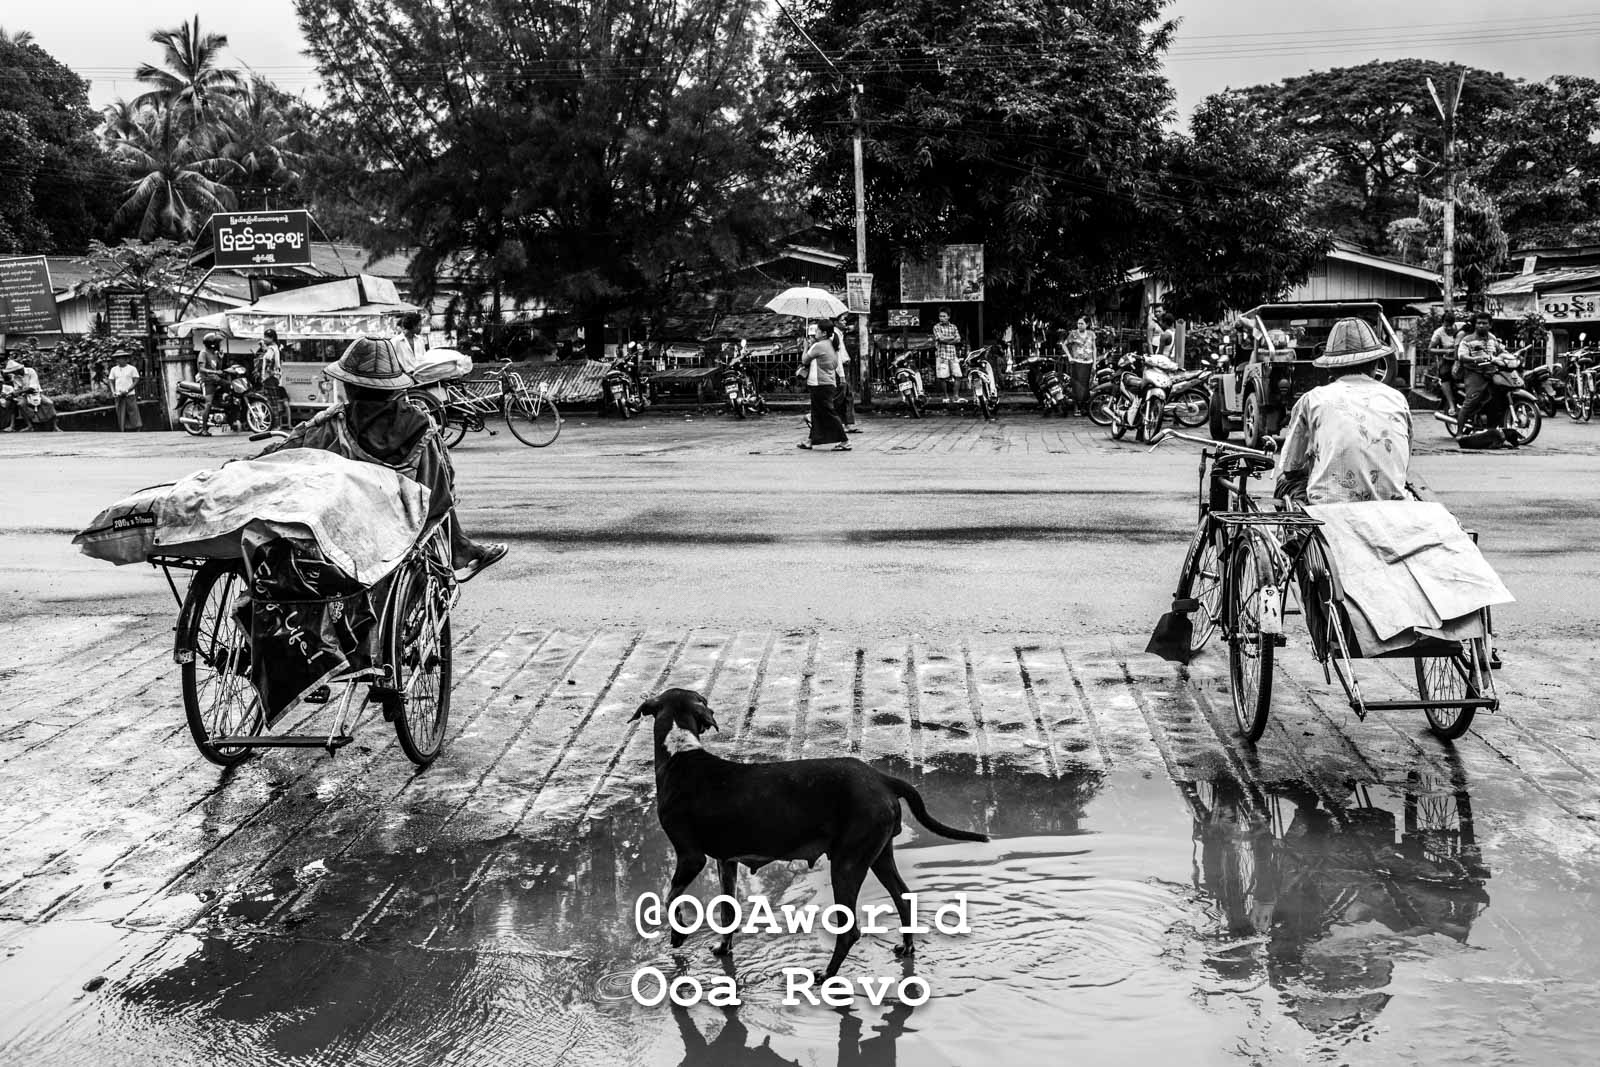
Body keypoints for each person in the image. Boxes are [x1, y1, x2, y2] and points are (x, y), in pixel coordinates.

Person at [261, 336, 507, 582]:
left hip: (344, 529)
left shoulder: (332, 424)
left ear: (350, 387)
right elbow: (439, 494)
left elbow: (286, 450)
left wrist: (246, 462)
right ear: (392, 389)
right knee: (437, 485)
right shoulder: (419, 425)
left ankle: (459, 545)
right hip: (403, 527)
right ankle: (459, 545)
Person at [1273, 318, 1411, 506]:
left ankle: (1292, 534)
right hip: (1392, 503)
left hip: (1329, 506)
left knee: (1285, 482)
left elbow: (1291, 467)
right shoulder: (1397, 398)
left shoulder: (1313, 399)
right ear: (1376, 365)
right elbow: (1404, 459)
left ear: (1330, 367)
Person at [1455, 312, 1511, 441]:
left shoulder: (1492, 338)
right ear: (1475, 325)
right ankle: (1459, 433)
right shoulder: (1467, 340)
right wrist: (1476, 358)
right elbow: (1462, 356)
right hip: (1474, 373)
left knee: (1498, 400)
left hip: (1491, 372)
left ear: (1490, 325)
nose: (1481, 325)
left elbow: (1500, 351)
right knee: (1470, 402)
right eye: (1478, 323)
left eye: (1484, 323)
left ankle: (1494, 431)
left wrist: (1512, 355)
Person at [797, 322, 849, 451]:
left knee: (828, 413)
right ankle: (810, 440)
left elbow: (804, 360)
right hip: (826, 383)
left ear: (824, 333)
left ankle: (845, 441)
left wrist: (805, 347)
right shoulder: (831, 344)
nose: (816, 333)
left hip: (821, 384)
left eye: (818, 331)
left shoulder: (819, 346)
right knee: (817, 413)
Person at [1427, 318, 1467, 412]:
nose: (1449, 328)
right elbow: (1430, 349)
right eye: (1446, 326)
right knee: (1444, 375)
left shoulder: (1462, 326)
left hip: (1464, 359)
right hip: (1448, 360)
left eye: (1451, 325)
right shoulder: (1438, 333)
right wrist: (1446, 351)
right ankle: (1451, 405)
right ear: (1442, 324)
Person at [196, 331, 229, 435]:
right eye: (218, 343)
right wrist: (214, 372)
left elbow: (218, 367)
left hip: (215, 379)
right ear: (212, 344)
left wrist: (220, 358)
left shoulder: (214, 354)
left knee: (229, 385)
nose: (219, 345)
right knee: (208, 404)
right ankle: (204, 429)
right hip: (207, 381)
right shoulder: (203, 353)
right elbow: (202, 369)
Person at [831, 315, 860, 433]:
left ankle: (847, 424)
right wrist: (841, 374)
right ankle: (837, 424)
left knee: (848, 396)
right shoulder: (834, 335)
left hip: (844, 367)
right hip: (839, 368)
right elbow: (837, 356)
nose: (845, 322)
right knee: (839, 397)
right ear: (835, 322)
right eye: (842, 320)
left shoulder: (840, 334)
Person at [256, 327, 290, 428]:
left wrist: (267, 373)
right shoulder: (275, 347)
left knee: (271, 403)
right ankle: (276, 424)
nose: (264, 339)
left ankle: (275, 425)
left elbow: (269, 360)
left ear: (272, 338)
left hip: (269, 378)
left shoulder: (271, 348)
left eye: (266, 337)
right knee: (273, 402)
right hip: (274, 378)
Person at [1065, 316, 1097, 415]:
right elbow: (1064, 344)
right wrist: (1069, 356)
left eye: (1082, 323)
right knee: (1076, 385)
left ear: (1087, 324)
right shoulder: (1073, 334)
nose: (1079, 325)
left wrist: (1095, 363)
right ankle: (1077, 407)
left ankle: (1085, 407)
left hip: (1088, 363)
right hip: (1077, 363)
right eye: (1078, 323)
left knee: (1085, 385)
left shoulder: (1091, 334)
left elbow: (1094, 348)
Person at [932, 308, 963, 410]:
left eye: (944, 316)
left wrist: (946, 339)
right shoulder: (936, 327)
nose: (942, 318)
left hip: (952, 354)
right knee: (943, 377)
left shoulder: (953, 327)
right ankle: (946, 396)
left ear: (948, 317)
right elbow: (940, 338)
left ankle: (956, 396)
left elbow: (958, 339)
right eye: (940, 316)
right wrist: (951, 338)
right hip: (942, 355)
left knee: (958, 375)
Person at [109, 350, 142, 432]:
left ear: (125, 359)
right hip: (118, 394)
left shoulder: (132, 368)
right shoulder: (114, 369)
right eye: (117, 358)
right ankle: (123, 429)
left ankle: (137, 427)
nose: (118, 360)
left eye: (120, 358)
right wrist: (113, 391)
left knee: (133, 411)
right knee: (121, 412)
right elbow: (110, 380)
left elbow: (136, 380)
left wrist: (128, 390)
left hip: (129, 394)